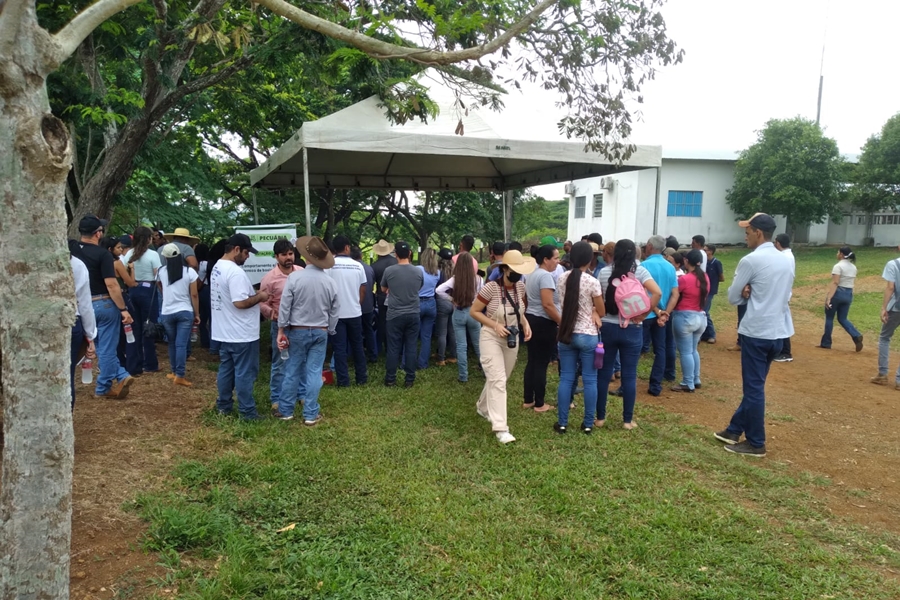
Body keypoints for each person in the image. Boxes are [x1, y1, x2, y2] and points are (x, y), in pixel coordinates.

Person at [715, 213, 794, 458]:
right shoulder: (786, 260)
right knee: (756, 385)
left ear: (758, 232)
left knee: (753, 388)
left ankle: (756, 442)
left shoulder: (751, 260)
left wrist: (747, 293)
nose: (745, 235)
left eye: (747, 231)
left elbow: (732, 297)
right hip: (778, 333)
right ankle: (734, 429)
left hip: (757, 331)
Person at [469, 250, 535, 444]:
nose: (516, 274)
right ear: (504, 269)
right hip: (491, 337)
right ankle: (501, 428)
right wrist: (495, 325)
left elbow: (519, 309)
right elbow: (474, 311)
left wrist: (525, 323)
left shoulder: (520, 287)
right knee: (497, 379)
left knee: (500, 377)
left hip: (511, 337)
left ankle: (482, 407)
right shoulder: (490, 288)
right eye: (513, 270)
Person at [595, 240, 662, 430]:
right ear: (635, 254)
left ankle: (600, 418)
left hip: (607, 327)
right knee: (629, 375)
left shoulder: (605, 272)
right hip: (632, 328)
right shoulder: (640, 272)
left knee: (603, 374)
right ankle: (627, 421)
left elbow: (598, 300)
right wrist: (643, 313)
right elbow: (657, 292)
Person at [275, 236, 339, 424]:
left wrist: (281, 329)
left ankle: (286, 410)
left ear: (306, 256)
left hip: (297, 330)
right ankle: (310, 414)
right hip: (320, 330)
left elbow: (285, 307)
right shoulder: (330, 282)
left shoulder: (294, 277)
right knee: (314, 372)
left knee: (292, 369)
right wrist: (331, 329)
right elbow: (335, 310)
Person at [211, 233, 268, 420]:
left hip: (225, 331)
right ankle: (247, 412)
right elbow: (240, 303)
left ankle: (224, 406)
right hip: (242, 333)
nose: (247, 256)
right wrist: (260, 296)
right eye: (246, 252)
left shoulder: (218, 267)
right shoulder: (235, 272)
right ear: (236, 249)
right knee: (245, 373)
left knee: (226, 370)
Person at [78, 215, 135, 399]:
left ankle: (121, 375)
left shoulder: (71, 250)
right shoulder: (103, 255)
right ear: (98, 233)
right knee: (108, 348)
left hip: (82, 305)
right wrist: (123, 309)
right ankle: (104, 387)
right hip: (103, 303)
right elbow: (112, 285)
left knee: (100, 347)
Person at [554, 242, 605, 433]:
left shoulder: (561, 278)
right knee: (590, 380)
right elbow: (601, 310)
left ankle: (562, 422)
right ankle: (588, 424)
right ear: (589, 259)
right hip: (588, 334)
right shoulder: (592, 281)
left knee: (566, 379)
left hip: (566, 332)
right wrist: (593, 310)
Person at [259, 239, 304, 409]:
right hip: (280, 326)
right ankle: (276, 398)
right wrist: (271, 313)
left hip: (300, 325)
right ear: (276, 257)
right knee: (279, 363)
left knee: (302, 360)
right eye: (284, 255)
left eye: (290, 254)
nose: (288, 258)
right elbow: (262, 303)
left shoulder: (301, 272)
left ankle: (302, 394)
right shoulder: (269, 278)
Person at [523, 244, 561, 412]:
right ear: (546, 259)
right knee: (541, 363)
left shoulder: (532, 274)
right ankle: (540, 403)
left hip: (531, 319)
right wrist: (561, 321)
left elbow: (526, 299)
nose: (558, 262)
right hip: (543, 323)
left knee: (532, 361)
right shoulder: (545, 276)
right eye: (555, 258)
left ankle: (528, 399)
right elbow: (548, 304)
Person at [328, 235, 369, 387]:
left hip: (336, 315)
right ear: (346, 247)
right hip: (354, 312)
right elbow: (363, 288)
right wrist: (357, 303)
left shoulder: (329, 266)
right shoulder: (358, 266)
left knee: (339, 348)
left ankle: (343, 381)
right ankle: (361, 378)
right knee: (357, 345)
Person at [381, 241, 424, 387]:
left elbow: (383, 288)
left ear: (396, 254)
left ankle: (390, 379)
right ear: (410, 254)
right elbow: (419, 287)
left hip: (394, 314)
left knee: (393, 347)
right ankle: (409, 379)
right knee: (411, 346)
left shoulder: (389, 271)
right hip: (413, 312)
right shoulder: (418, 271)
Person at [436, 251, 483, 383]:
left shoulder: (455, 279)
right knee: (478, 344)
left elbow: (439, 290)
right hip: (474, 313)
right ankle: (485, 371)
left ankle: (463, 376)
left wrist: (451, 299)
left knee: (461, 346)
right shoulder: (478, 279)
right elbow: (482, 294)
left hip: (459, 312)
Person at [641, 235, 678, 396]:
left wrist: (656, 311)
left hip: (644, 314)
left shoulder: (644, 266)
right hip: (662, 316)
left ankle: (625, 383)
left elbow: (642, 293)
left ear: (649, 246)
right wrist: (666, 313)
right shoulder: (670, 267)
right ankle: (655, 385)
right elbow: (674, 294)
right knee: (660, 349)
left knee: (635, 349)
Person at [668, 249, 710, 393]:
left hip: (685, 317)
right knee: (693, 350)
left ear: (686, 261)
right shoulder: (705, 277)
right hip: (700, 316)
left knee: (685, 352)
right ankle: (695, 378)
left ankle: (687, 382)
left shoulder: (684, 279)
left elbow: (674, 295)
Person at [158, 244, 200, 386]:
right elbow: (194, 294)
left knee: (171, 342)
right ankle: (180, 376)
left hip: (167, 312)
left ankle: (174, 371)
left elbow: (159, 285)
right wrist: (197, 313)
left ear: (165, 257)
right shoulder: (190, 272)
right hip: (184, 311)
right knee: (181, 344)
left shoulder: (161, 271)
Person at [123, 226, 162, 375]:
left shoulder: (129, 254)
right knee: (149, 327)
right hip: (148, 290)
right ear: (148, 239)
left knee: (136, 328)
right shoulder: (153, 255)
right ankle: (150, 363)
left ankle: (136, 362)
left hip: (133, 290)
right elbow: (157, 275)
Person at [818, 246, 863, 352]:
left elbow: (835, 282)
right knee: (843, 318)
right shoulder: (853, 267)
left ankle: (826, 343)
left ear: (842, 254)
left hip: (838, 293)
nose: (837, 253)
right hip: (848, 294)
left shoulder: (838, 267)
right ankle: (856, 335)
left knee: (829, 318)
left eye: (838, 252)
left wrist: (829, 298)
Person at [69, 241, 96, 409]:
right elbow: (84, 303)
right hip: (71, 321)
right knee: (67, 374)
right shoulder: (77, 265)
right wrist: (91, 335)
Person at [872, 246, 900, 388]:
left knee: (885, 338)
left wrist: (884, 307)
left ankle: (883, 374)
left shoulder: (893, 264)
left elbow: (890, 287)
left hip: (896, 308)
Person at [773, 234, 797, 362]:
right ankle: (782, 350)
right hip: (783, 293)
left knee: (781, 323)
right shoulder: (788, 255)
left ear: (778, 243)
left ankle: (785, 352)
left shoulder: (784, 257)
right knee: (782, 321)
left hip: (782, 294)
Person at [371, 239, 397, 357]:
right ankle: (393, 346)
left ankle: (381, 346)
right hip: (396, 296)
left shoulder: (374, 266)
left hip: (381, 297)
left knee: (382, 322)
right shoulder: (396, 262)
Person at [352, 246, 378, 363]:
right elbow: (372, 286)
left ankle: (356, 355)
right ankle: (373, 354)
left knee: (354, 332)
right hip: (368, 304)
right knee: (369, 330)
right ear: (361, 256)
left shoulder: (351, 269)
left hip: (354, 306)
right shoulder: (369, 268)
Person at [416, 248, 441, 369]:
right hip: (431, 302)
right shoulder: (437, 272)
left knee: (412, 334)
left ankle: (407, 361)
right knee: (426, 336)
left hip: (418, 302)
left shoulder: (418, 270)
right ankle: (423, 363)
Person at [201, 239, 226, 356]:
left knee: (209, 319)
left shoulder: (208, 263)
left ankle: (211, 345)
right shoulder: (223, 264)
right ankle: (217, 346)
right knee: (218, 319)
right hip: (220, 293)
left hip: (208, 291)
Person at [433, 248, 458, 366]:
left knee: (442, 332)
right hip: (453, 302)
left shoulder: (438, 271)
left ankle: (441, 358)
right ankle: (453, 356)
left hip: (441, 301)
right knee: (452, 331)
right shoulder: (455, 271)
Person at [701, 244, 724, 344]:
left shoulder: (716, 263)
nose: (704, 252)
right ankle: (704, 334)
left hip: (710, 291)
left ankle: (711, 334)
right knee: (703, 311)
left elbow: (722, 277)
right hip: (704, 290)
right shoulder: (704, 262)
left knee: (705, 312)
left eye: (705, 250)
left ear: (710, 251)